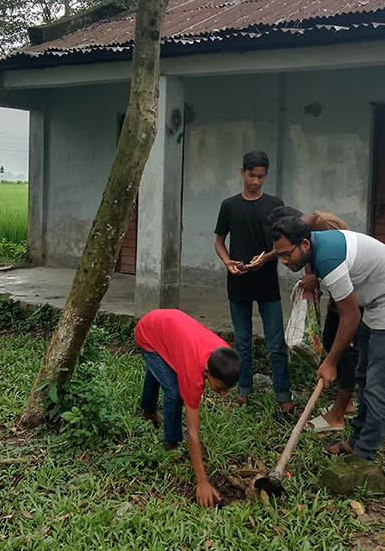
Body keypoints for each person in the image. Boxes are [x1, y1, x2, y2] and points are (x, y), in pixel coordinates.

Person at [269, 216, 385, 462]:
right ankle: (356, 441)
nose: (285, 261)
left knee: (378, 384)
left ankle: (364, 455)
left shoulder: (329, 259)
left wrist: (330, 362)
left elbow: (350, 316)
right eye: (280, 256)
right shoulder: (315, 245)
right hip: (372, 303)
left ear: (304, 244)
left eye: (287, 254)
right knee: (362, 375)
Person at [214, 150, 297, 416]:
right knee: (242, 342)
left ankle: (283, 397)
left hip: (267, 280)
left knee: (275, 343)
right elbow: (219, 241)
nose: (256, 181)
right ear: (242, 173)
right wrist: (228, 262)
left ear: (266, 176)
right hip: (238, 280)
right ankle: (243, 393)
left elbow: (282, 243)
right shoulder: (229, 206)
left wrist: (266, 258)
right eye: (252, 175)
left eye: (261, 176)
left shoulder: (275, 204)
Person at [135, 309, 241, 507]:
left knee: (162, 371)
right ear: (207, 371)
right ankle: (171, 443)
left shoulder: (224, 353)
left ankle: (148, 411)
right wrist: (202, 481)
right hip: (148, 333)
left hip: (167, 327)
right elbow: (193, 433)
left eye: (228, 389)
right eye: (220, 388)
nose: (224, 394)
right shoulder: (194, 376)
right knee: (174, 392)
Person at [267, 206, 357, 432]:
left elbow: (343, 265)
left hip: (353, 301)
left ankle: (341, 410)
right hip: (338, 298)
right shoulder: (306, 236)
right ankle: (342, 402)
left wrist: (314, 278)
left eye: (285, 254)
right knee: (329, 341)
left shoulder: (326, 225)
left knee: (346, 352)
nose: (285, 261)